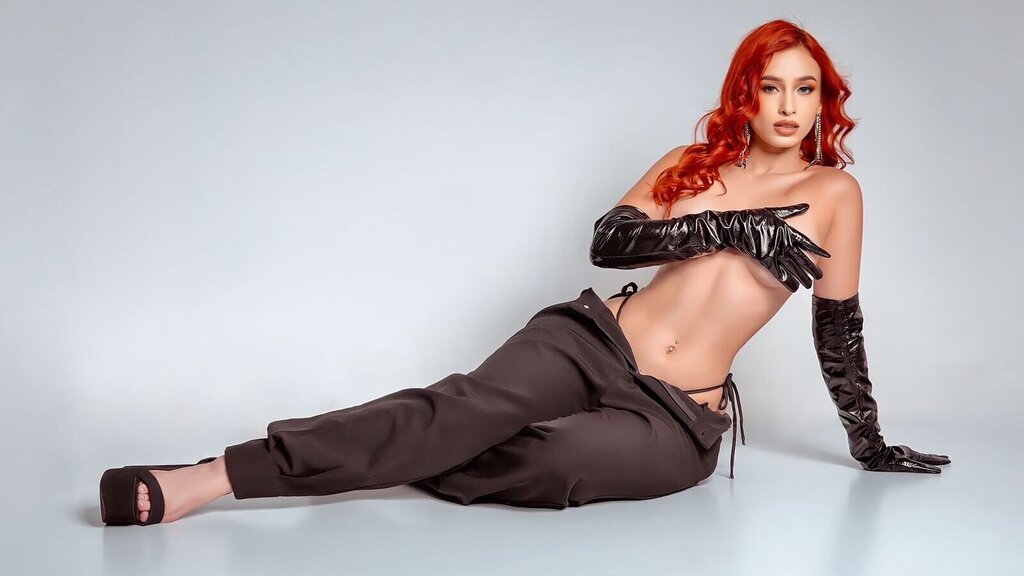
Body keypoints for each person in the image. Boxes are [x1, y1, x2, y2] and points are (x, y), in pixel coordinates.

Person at [99, 19, 950, 527]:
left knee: (547, 466)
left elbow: (838, 327)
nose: (790, 107)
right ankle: (212, 477)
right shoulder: (691, 163)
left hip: (675, 414)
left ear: (824, 99)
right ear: (746, 94)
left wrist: (868, 442)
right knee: (460, 412)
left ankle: (397, 442)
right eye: (772, 88)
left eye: (806, 89)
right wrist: (732, 225)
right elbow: (611, 242)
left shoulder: (834, 194)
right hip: (592, 341)